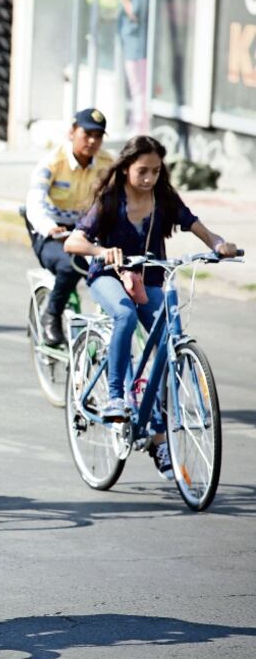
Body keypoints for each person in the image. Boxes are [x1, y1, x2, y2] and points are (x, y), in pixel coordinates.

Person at [64, 135, 237, 478]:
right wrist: (103, 252)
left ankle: (158, 436)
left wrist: (217, 243)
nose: (149, 179)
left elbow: (195, 224)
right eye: (142, 171)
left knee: (171, 340)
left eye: (156, 171)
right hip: (109, 277)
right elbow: (74, 240)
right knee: (125, 315)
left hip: (151, 279)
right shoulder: (111, 199)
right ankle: (115, 397)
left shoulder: (163, 198)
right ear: (126, 168)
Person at [25, 108, 114, 347]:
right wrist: (48, 226)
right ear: (72, 132)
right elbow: (34, 202)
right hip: (51, 232)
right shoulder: (53, 162)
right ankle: (51, 315)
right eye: (87, 134)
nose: (93, 141)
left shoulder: (108, 163)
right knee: (69, 266)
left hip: (85, 230)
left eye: (99, 135)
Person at [118, 0, 150, 135]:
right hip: (134, 46)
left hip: (137, 48)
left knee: (138, 90)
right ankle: (136, 127)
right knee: (136, 90)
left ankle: (138, 130)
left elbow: (137, 13)